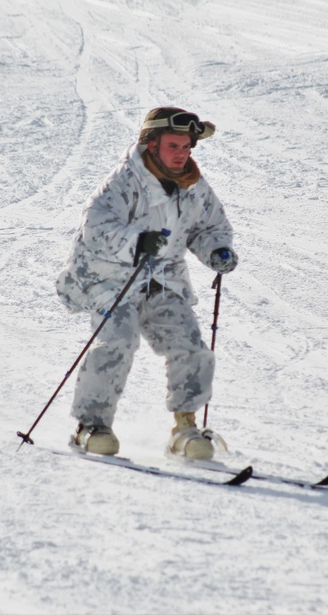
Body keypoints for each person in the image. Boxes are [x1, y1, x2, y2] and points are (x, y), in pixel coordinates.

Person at [56, 107, 238, 460]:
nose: (182, 153)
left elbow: (209, 226)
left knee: (190, 344)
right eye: (174, 145)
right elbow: (96, 229)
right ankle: (91, 426)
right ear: (151, 145)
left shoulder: (193, 185)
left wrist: (217, 249)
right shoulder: (123, 183)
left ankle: (185, 427)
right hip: (111, 279)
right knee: (118, 343)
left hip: (163, 279)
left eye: (187, 146)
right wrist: (137, 242)